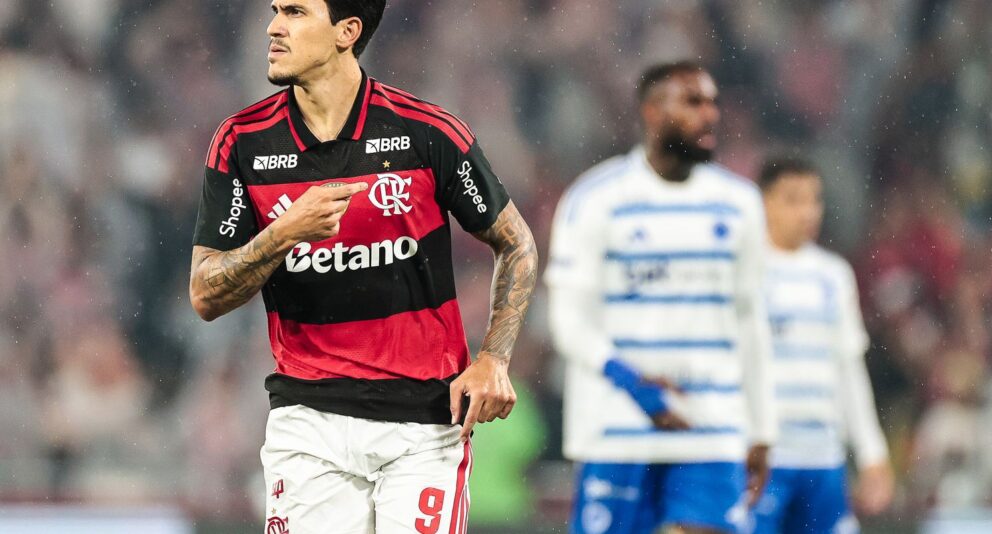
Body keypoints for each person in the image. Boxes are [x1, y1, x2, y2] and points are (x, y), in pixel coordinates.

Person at [187, 1, 538, 532]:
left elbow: (516, 244)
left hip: (423, 423)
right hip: (308, 422)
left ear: (346, 31)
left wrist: (493, 358)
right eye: (276, 10)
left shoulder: (426, 132)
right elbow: (205, 294)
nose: (274, 27)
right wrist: (283, 233)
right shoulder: (242, 141)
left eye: (296, 12)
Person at [546, 61, 777, 534]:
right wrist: (629, 380)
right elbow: (568, 317)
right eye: (693, 102)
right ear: (652, 111)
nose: (710, 114)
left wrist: (761, 427)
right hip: (617, 429)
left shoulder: (740, 204)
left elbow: (750, 319)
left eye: (713, 103)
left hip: (710, 429)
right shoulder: (595, 199)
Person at [752, 156, 894, 533]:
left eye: (814, 200)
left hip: (824, 458)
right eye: (793, 200)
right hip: (764, 456)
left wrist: (872, 452)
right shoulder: (747, 272)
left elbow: (849, 369)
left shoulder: (834, 276)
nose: (808, 212)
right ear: (764, 203)